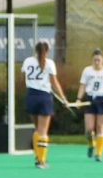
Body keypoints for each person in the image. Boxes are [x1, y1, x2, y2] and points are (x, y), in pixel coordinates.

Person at [21, 41, 68, 169]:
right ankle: (41, 161)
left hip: (30, 96)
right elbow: (54, 83)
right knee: (43, 131)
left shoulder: (27, 61)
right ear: (47, 51)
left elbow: (24, 77)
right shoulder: (49, 63)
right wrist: (63, 98)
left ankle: (37, 156)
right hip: (44, 97)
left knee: (36, 128)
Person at [76, 48, 103, 162]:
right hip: (90, 99)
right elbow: (83, 86)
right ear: (92, 60)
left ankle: (99, 153)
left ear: (102, 60)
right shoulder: (87, 70)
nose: (97, 62)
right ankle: (91, 144)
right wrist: (79, 99)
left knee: (100, 127)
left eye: (98, 60)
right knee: (89, 129)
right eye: (95, 60)